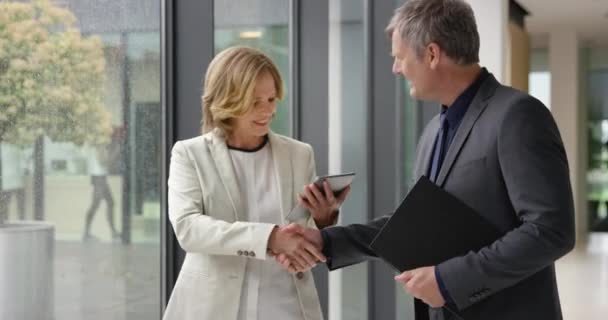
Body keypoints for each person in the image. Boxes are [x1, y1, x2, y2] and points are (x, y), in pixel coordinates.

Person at [276, 1, 575, 319]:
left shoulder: (517, 116)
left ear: (432, 54)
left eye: (399, 57)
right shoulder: (433, 131)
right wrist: (325, 240)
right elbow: (414, 224)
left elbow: (550, 229)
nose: (396, 68)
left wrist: (448, 282)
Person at [162, 46, 350, 320]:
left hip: (287, 306)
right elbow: (188, 228)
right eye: (254, 102)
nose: (267, 111)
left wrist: (324, 219)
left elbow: (303, 235)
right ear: (227, 100)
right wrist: (270, 238)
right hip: (213, 308)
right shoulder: (190, 154)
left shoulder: (299, 154)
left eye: (272, 99)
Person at [83, 143, 119, 241]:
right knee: (96, 205)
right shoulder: (99, 144)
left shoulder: (96, 143)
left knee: (109, 203)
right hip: (99, 178)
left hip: (99, 176)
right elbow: (103, 162)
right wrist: (115, 152)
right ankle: (86, 233)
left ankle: (113, 231)